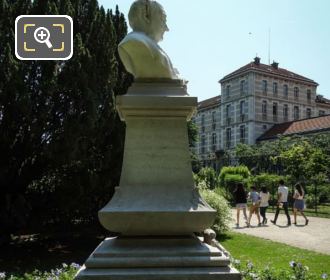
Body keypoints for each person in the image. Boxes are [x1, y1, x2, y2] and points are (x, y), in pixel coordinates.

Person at [118, 0, 179, 79]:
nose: (167, 28)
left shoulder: (148, 44)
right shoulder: (135, 42)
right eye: (163, 19)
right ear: (145, 16)